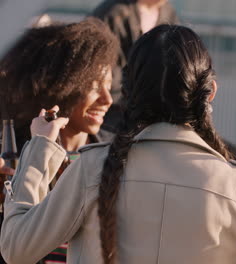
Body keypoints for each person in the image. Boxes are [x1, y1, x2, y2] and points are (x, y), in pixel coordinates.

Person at [1, 24, 236, 264]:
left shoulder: (91, 168)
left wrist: (40, 150)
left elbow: (17, 248)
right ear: (209, 92)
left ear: (128, 92)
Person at [0, 18, 119, 263]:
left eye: (109, 86)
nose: (107, 99)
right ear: (62, 86)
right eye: (94, 86)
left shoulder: (115, 153)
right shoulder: (13, 151)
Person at [91, 0, 179, 131]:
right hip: (111, 113)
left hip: (152, 114)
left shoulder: (169, 14)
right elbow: (99, 68)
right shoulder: (114, 12)